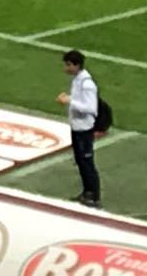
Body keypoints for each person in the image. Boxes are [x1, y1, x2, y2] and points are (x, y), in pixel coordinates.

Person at [57, 49, 101, 207]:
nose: (66, 68)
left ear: (76, 65)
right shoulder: (77, 80)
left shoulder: (87, 84)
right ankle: (86, 192)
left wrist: (69, 101)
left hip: (84, 129)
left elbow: (90, 108)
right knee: (80, 161)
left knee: (87, 162)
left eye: (68, 65)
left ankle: (94, 196)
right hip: (76, 127)